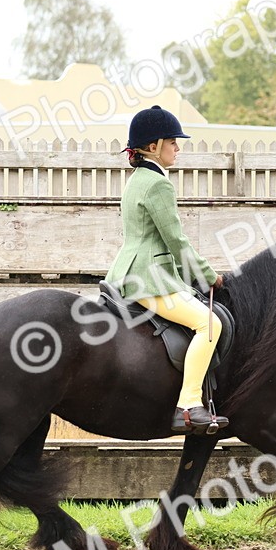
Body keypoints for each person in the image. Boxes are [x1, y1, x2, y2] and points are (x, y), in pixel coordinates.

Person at [106, 105, 229, 435]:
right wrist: (206, 275)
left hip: (130, 270)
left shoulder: (138, 179)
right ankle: (189, 404)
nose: (178, 148)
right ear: (153, 147)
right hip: (150, 279)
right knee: (209, 324)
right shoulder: (158, 185)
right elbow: (176, 240)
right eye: (173, 142)